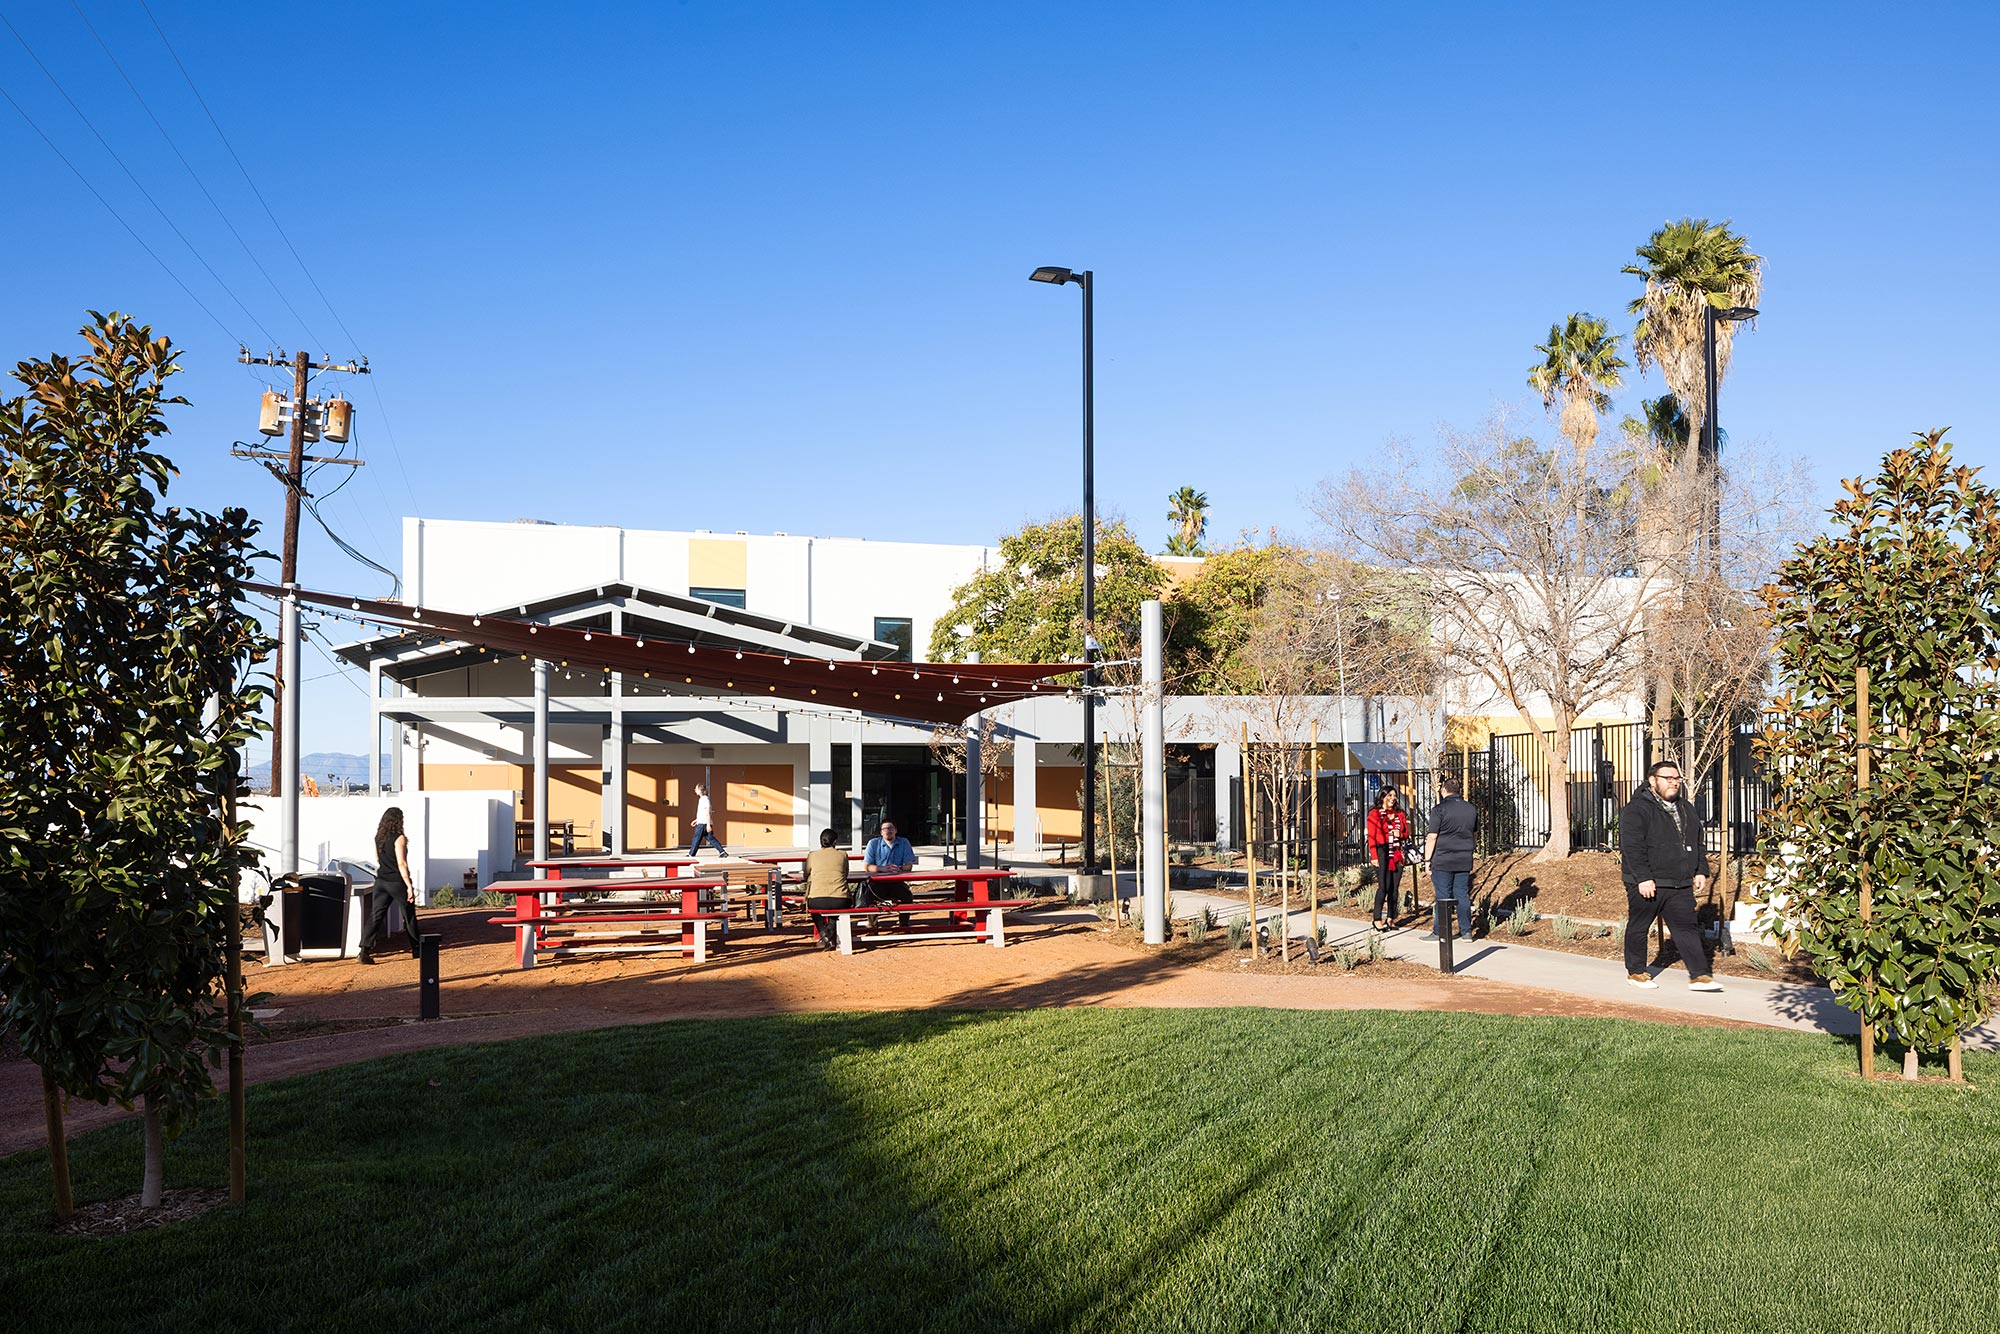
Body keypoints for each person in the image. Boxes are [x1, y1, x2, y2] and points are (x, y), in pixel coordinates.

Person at [1621, 760, 1723, 992]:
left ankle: (1699, 976)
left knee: (1686, 927)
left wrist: (1700, 869)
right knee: (1639, 926)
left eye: (1677, 779)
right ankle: (1636, 972)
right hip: (1648, 882)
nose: (1674, 783)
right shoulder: (1637, 809)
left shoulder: (1686, 807)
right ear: (1653, 781)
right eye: (1668, 778)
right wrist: (1643, 877)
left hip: (1679, 883)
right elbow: (1632, 847)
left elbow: (1697, 841)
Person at [361, 805, 422, 965]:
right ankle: (417, 949)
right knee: (408, 915)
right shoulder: (399, 838)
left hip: (381, 881)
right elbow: (402, 863)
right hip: (396, 881)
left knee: (376, 915)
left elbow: (377, 858)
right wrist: (409, 885)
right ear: (398, 820)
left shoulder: (378, 837)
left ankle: (364, 950)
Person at [1421, 778, 1479, 941]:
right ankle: (1466, 931)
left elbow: (1432, 837)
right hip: (1463, 858)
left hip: (1443, 859)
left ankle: (1441, 932)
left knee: (1443, 896)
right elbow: (1474, 834)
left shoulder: (1439, 809)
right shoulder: (1470, 809)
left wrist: (1427, 861)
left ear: (1444, 790)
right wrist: (1470, 848)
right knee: (1462, 894)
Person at [1366, 787, 1412, 928]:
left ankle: (1391, 918)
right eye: (1389, 795)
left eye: (1395, 795)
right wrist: (1374, 856)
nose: (1392, 798)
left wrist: (1401, 834)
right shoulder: (1374, 814)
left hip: (1397, 852)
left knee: (1395, 887)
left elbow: (1406, 833)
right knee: (1384, 886)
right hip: (1382, 851)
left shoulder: (1400, 814)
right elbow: (1371, 837)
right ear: (1382, 796)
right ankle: (1377, 918)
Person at [803, 827, 854, 950]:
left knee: (814, 910)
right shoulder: (842, 854)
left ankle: (823, 933)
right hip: (840, 899)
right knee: (837, 907)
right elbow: (845, 874)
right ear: (835, 842)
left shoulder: (812, 855)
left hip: (816, 899)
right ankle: (829, 930)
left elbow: (805, 875)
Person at [860, 819, 916, 907]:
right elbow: (867, 866)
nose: (888, 831)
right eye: (884, 829)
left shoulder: (904, 842)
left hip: (897, 881)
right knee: (868, 896)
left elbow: (909, 865)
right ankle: (873, 921)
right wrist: (882, 869)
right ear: (881, 832)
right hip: (877, 882)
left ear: (895, 830)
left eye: (890, 828)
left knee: (907, 896)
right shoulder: (873, 843)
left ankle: (904, 921)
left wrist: (900, 868)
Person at [687, 782, 727, 858]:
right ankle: (722, 851)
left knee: (696, 838)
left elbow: (708, 812)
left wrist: (708, 825)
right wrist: (696, 820)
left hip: (703, 824)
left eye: (696, 789)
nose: (695, 790)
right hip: (703, 822)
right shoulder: (702, 799)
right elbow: (702, 813)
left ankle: (691, 854)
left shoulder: (704, 799)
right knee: (710, 838)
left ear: (700, 790)